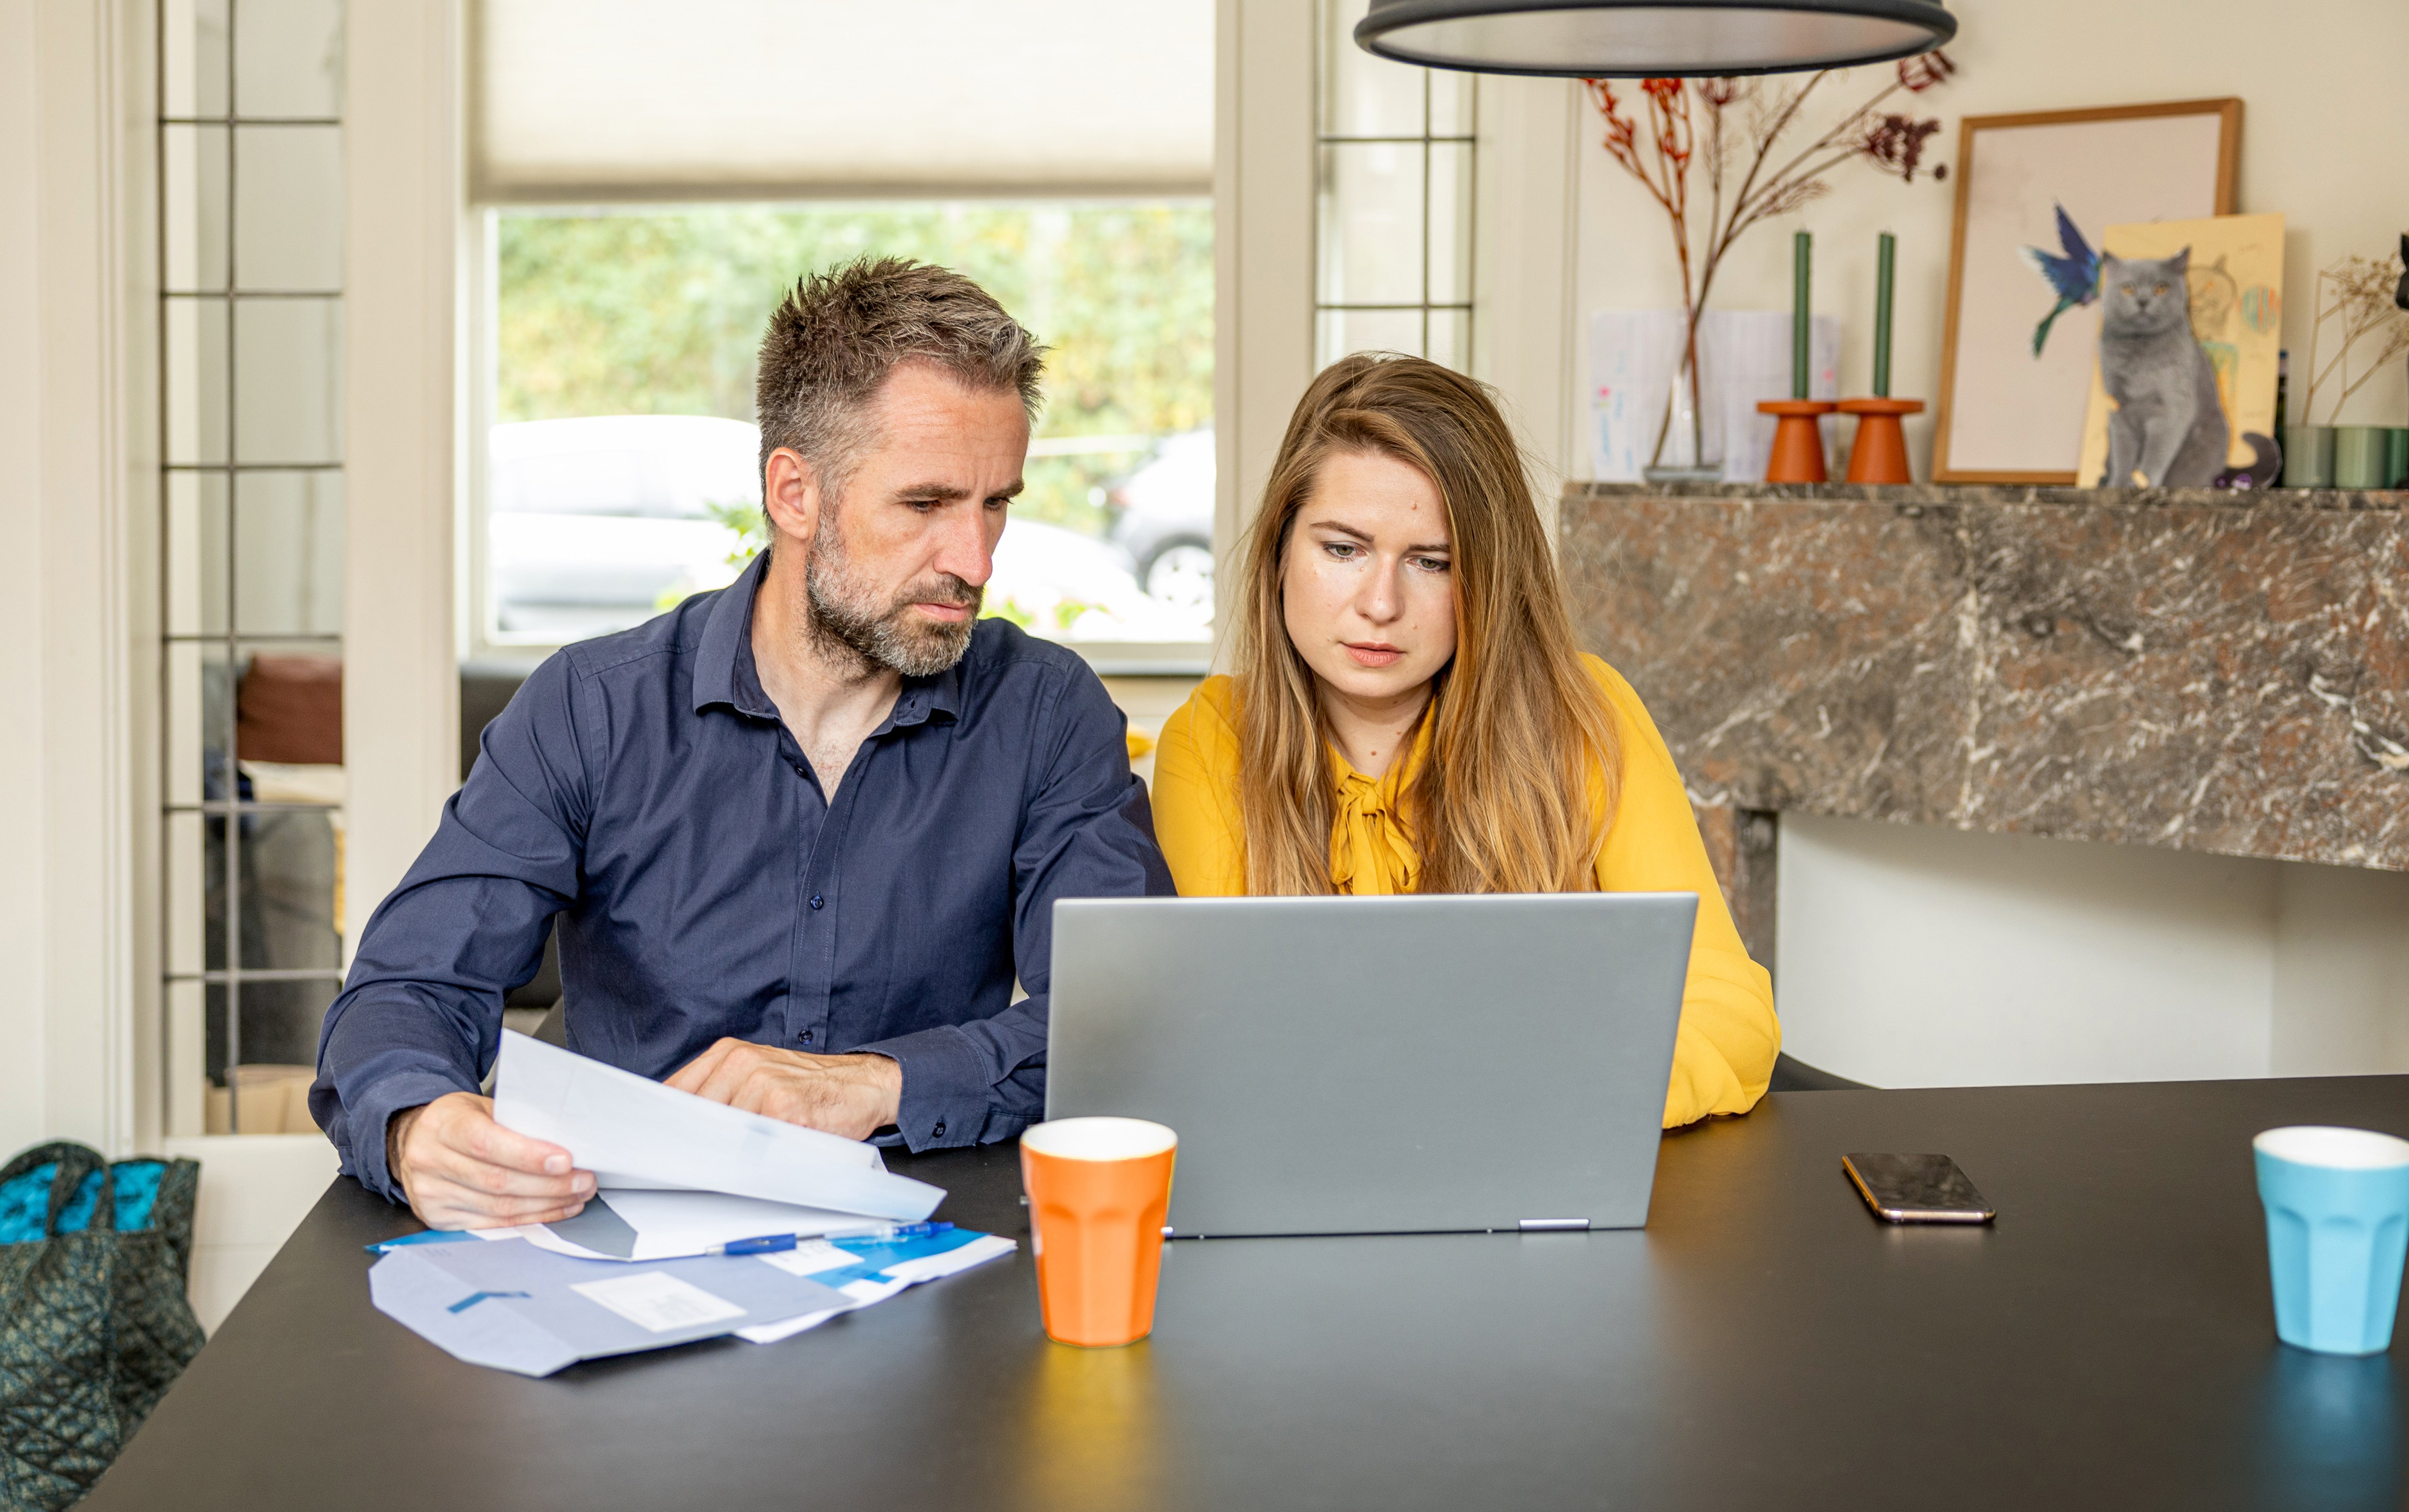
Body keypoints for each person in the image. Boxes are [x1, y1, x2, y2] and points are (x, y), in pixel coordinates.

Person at [313, 258, 1173, 1229]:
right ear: (794, 493)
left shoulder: (1046, 712)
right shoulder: (592, 708)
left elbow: (1127, 1026)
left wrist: (875, 1083)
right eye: (926, 505)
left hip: (933, 1267)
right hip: (625, 1267)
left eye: (997, 503)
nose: (974, 561)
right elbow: (409, 984)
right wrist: (417, 1122)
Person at [1150, 354, 1778, 1126]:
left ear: (1488, 577)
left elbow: (1728, 1007)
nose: (1381, 604)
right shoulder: (1212, 742)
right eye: (1343, 550)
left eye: (1432, 563)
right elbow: (1219, 1041)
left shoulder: (1585, 712)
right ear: (1281, 551)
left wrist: (1564, 1101)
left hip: (1549, 1161)